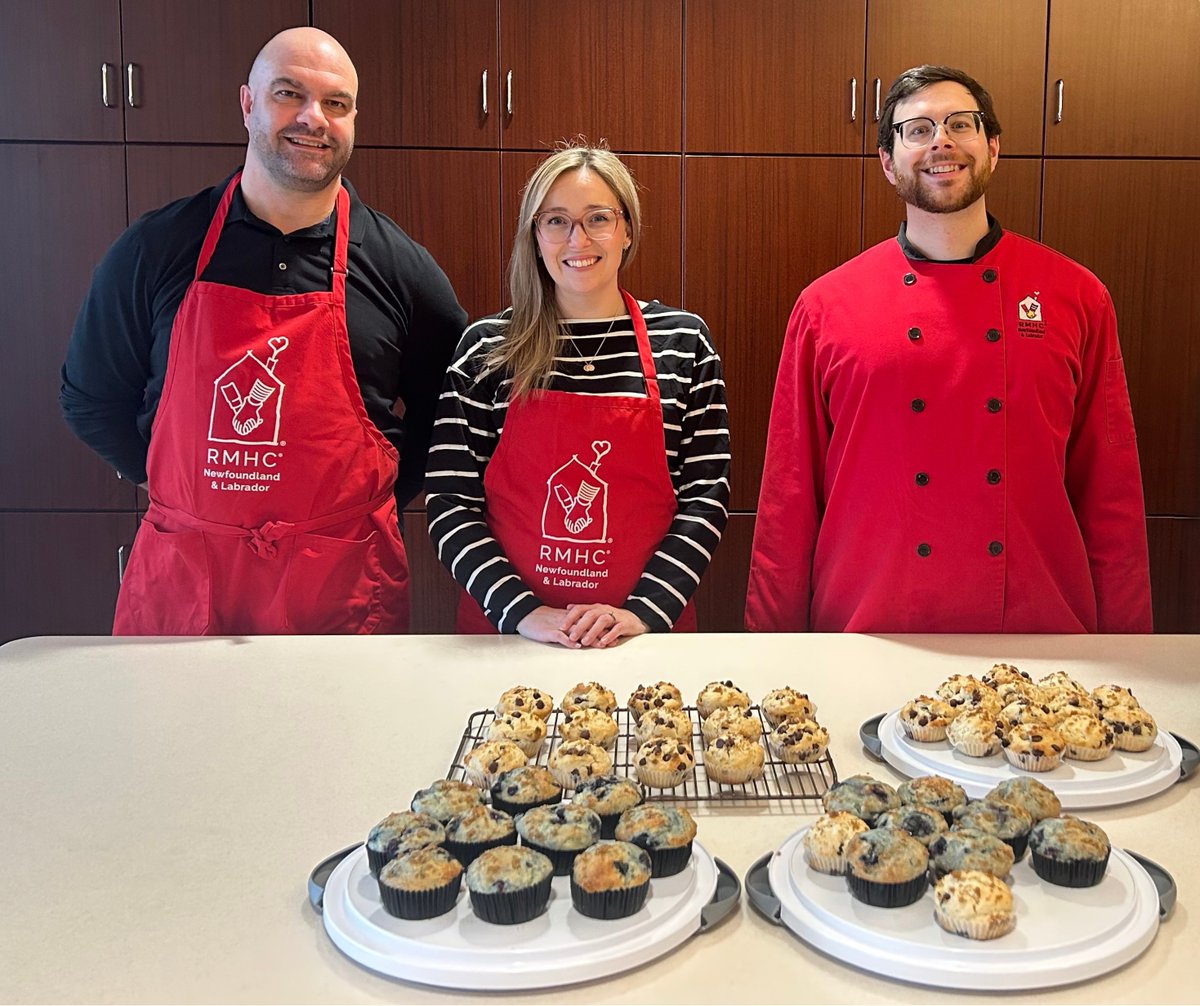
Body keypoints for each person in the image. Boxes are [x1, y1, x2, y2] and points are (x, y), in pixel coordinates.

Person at [60, 27, 467, 635]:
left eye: (336, 103)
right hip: (189, 578)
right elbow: (89, 398)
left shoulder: (397, 266)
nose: (314, 118)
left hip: (343, 591)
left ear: (354, 118)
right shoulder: (157, 247)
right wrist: (181, 489)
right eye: (288, 93)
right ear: (248, 103)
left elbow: (454, 414)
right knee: (173, 732)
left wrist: (370, 498)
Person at [745, 65, 1151, 634]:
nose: (941, 140)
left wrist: (1130, 655)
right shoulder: (825, 306)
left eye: (960, 124)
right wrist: (773, 649)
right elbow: (787, 499)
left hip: (1039, 643)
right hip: (866, 632)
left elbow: (1111, 495)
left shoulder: (1076, 296)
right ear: (888, 161)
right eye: (917, 129)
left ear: (992, 148)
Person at [425, 144, 730, 648]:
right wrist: (523, 612)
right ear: (535, 235)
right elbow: (450, 501)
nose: (577, 239)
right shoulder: (487, 349)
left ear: (627, 229)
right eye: (557, 221)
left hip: (641, 638)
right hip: (511, 639)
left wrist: (640, 612)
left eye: (598, 219)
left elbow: (706, 497)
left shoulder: (683, 342)